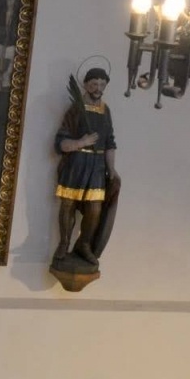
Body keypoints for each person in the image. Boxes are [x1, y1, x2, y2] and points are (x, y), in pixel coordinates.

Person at [53, 69, 119, 266]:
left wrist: (112, 170)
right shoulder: (75, 109)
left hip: (97, 167)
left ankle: (85, 244)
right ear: (86, 85)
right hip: (77, 163)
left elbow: (110, 143)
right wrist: (82, 142)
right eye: (93, 84)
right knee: (68, 205)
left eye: (101, 84)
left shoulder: (106, 111)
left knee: (95, 209)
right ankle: (64, 243)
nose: (98, 89)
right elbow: (61, 142)